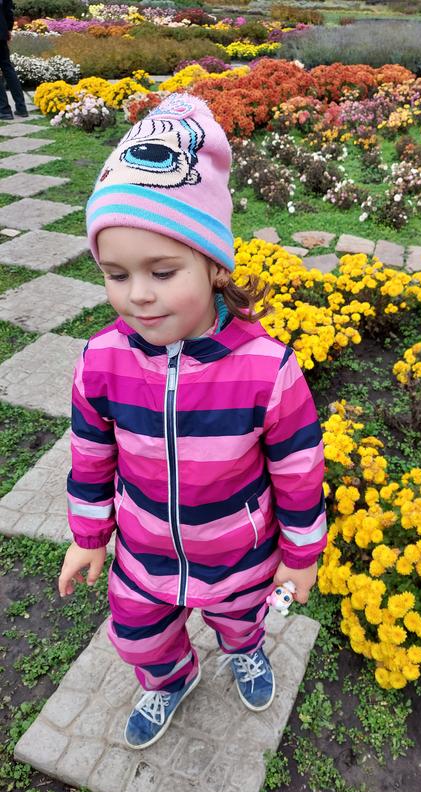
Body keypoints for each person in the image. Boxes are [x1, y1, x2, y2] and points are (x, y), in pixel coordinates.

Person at [57, 93, 327, 750]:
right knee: (137, 635)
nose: (137, 294)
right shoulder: (100, 361)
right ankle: (170, 677)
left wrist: (302, 556)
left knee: (242, 621)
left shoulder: (267, 368)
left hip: (240, 553)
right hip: (143, 553)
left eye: (162, 270)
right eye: (115, 274)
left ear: (213, 263)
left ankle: (243, 651)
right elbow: (90, 457)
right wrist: (89, 536)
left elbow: (298, 471)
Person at [0, 0, 29, 120]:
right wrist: (8, 29)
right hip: (1, 31)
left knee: (7, 67)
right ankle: (21, 108)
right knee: (7, 68)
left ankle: (4, 110)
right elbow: (8, 11)